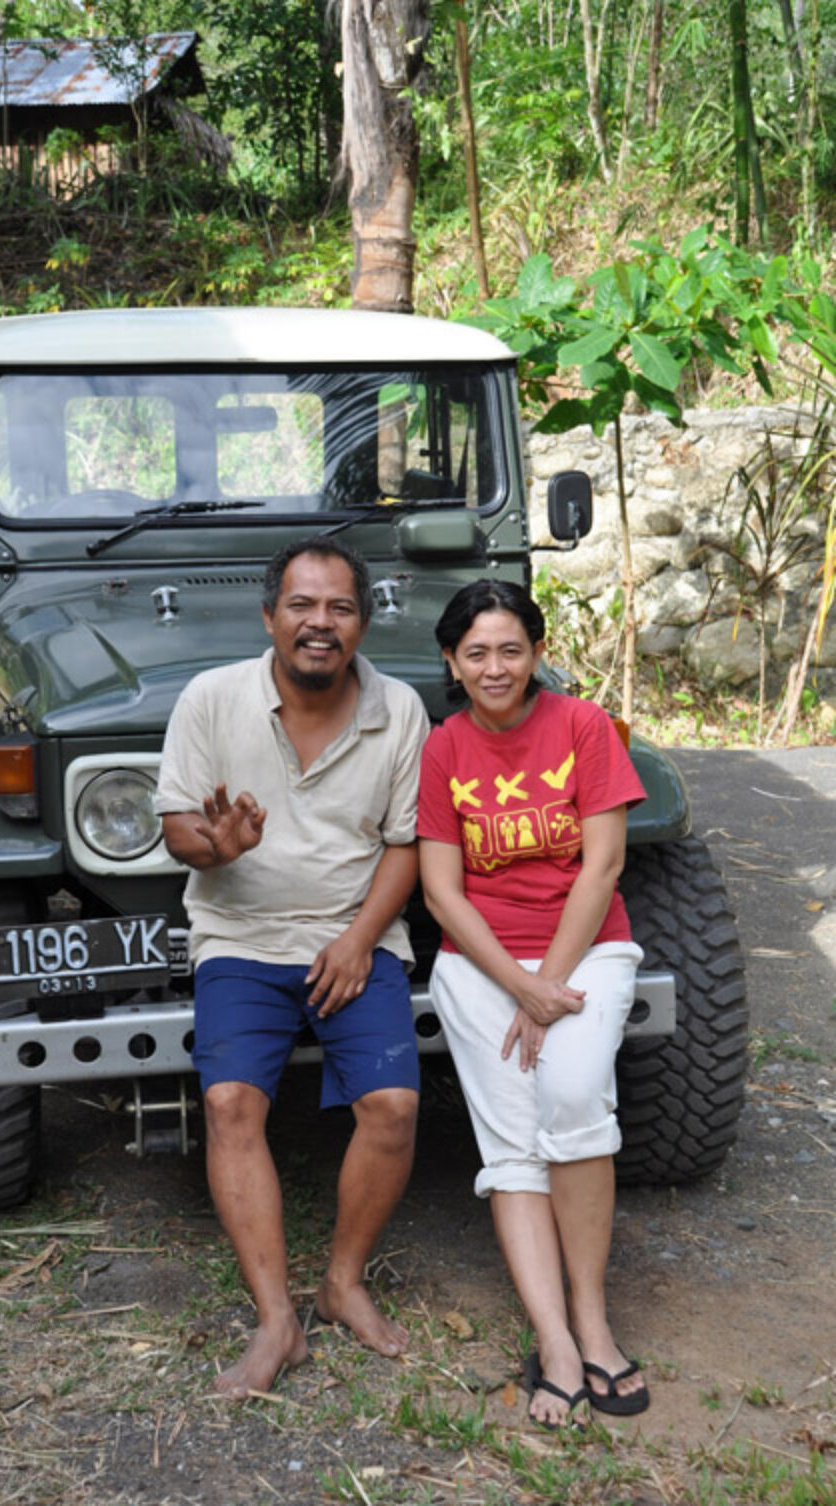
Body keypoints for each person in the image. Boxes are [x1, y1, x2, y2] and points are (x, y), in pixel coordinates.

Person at [155, 537, 428, 1399]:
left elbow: (406, 843)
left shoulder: (401, 710)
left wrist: (358, 940)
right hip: (238, 935)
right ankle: (278, 1319)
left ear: (361, 621)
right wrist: (216, 846)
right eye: (302, 607)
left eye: (339, 608)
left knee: (393, 1107)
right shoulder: (211, 698)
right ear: (269, 616)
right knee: (232, 1102)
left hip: (356, 938)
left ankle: (342, 1284)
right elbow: (177, 831)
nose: (320, 624)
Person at [416, 579, 651, 1429]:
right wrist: (516, 987)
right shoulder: (443, 747)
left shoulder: (583, 727)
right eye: (476, 652)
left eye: (511, 648)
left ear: (538, 654)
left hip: (587, 949)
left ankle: (593, 1316)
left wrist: (546, 989)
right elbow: (442, 892)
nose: (495, 666)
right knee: (511, 1137)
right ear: (451, 661)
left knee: (573, 1094)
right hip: (480, 966)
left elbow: (604, 868)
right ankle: (555, 1340)